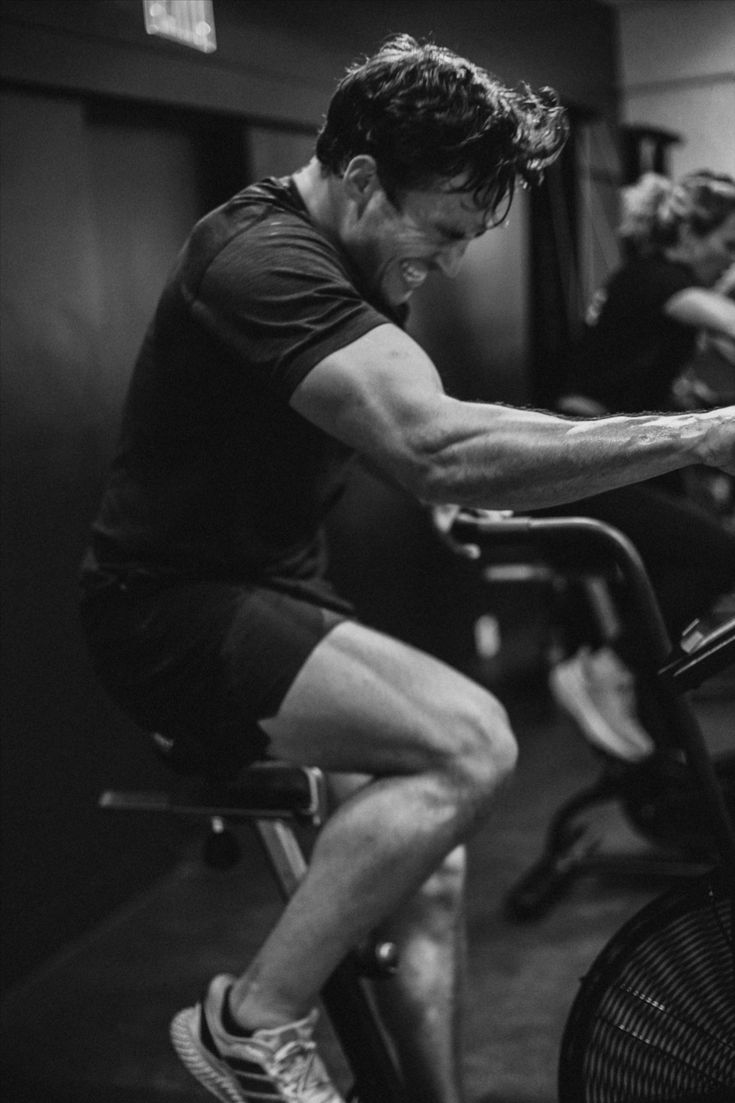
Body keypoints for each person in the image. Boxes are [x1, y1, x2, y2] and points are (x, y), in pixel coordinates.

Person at [79, 36, 735, 1103]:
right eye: (443, 231)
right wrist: (701, 433)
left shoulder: (361, 250)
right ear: (363, 180)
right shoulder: (259, 258)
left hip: (274, 591)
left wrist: (459, 493)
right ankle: (252, 1021)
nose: (455, 257)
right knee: (470, 741)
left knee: (430, 875)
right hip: (169, 614)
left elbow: (402, 442)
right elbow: (430, 440)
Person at [538, 171, 735, 763]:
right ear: (689, 235)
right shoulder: (657, 278)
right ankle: (604, 668)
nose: (728, 266)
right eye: (726, 247)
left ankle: (667, 766)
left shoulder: (657, 286)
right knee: (719, 554)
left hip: (618, 459)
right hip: (583, 467)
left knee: (673, 602)